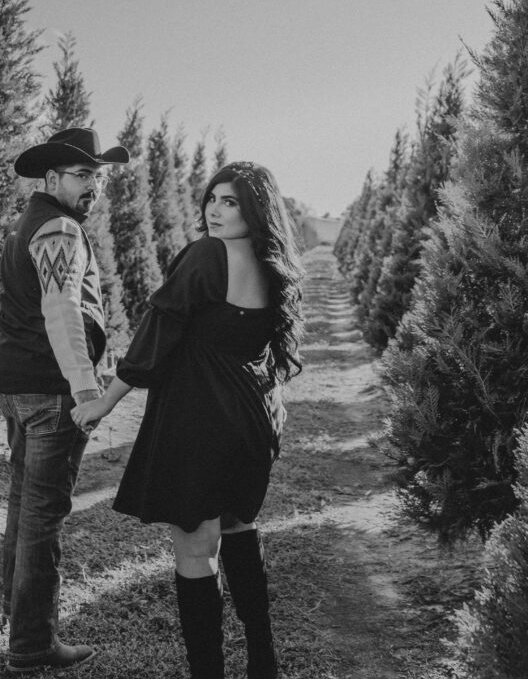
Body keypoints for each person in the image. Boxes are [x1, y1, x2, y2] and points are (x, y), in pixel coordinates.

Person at [73, 160, 304, 679]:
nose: (214, 211)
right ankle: (262, 662)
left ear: (255, 209)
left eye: (231, 202)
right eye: (212, 199)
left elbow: (157, 335)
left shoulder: (206, 255)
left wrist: (103, 403)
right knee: (240, 527)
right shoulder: (274, 265)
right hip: (250, 422)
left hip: (198, 423)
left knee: (196, 553)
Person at [0, 126, 129, 674]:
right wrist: (86, 388)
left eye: (97, 176)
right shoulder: (59, 229)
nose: (91, 185)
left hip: (17, 385)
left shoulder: (30, 222)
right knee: (42, 518)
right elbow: (62, 310)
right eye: (81, 175)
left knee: (24, 506)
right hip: (50, 393)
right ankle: (32, 644)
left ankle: (14, 615)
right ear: (51, 177)